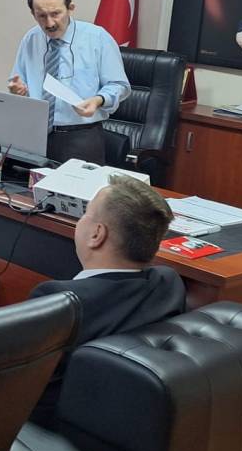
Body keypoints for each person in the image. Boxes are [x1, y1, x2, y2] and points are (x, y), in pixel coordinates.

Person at [27, 174, 186, 425]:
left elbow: (21, 383)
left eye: (85, 214)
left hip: (57, 425)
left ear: (97, 234)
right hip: (129, 418)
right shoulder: (169, 282)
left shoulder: (59, 300)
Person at [8, 0, 131, 164]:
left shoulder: (97, 38)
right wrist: (18, 89)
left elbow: (119, 85)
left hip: (80, 137)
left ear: (70, 8)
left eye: (55, 14)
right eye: (41, 16)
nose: (49, 23)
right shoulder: (31, 39)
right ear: (33, 14)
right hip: (35, 134)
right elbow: (19, 80)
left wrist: (98, 100)